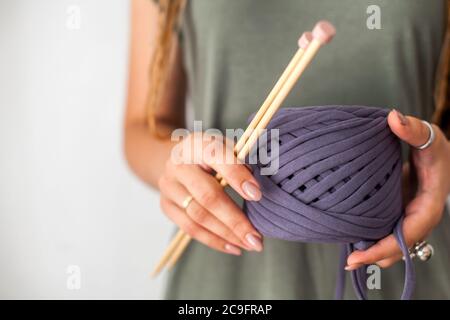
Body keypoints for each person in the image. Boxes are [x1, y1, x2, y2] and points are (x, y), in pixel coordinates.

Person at [124, 0, 450, 299]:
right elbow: (142, 127)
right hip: (229, 272)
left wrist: (439, 163)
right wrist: (177, 163)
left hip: (405, 254)